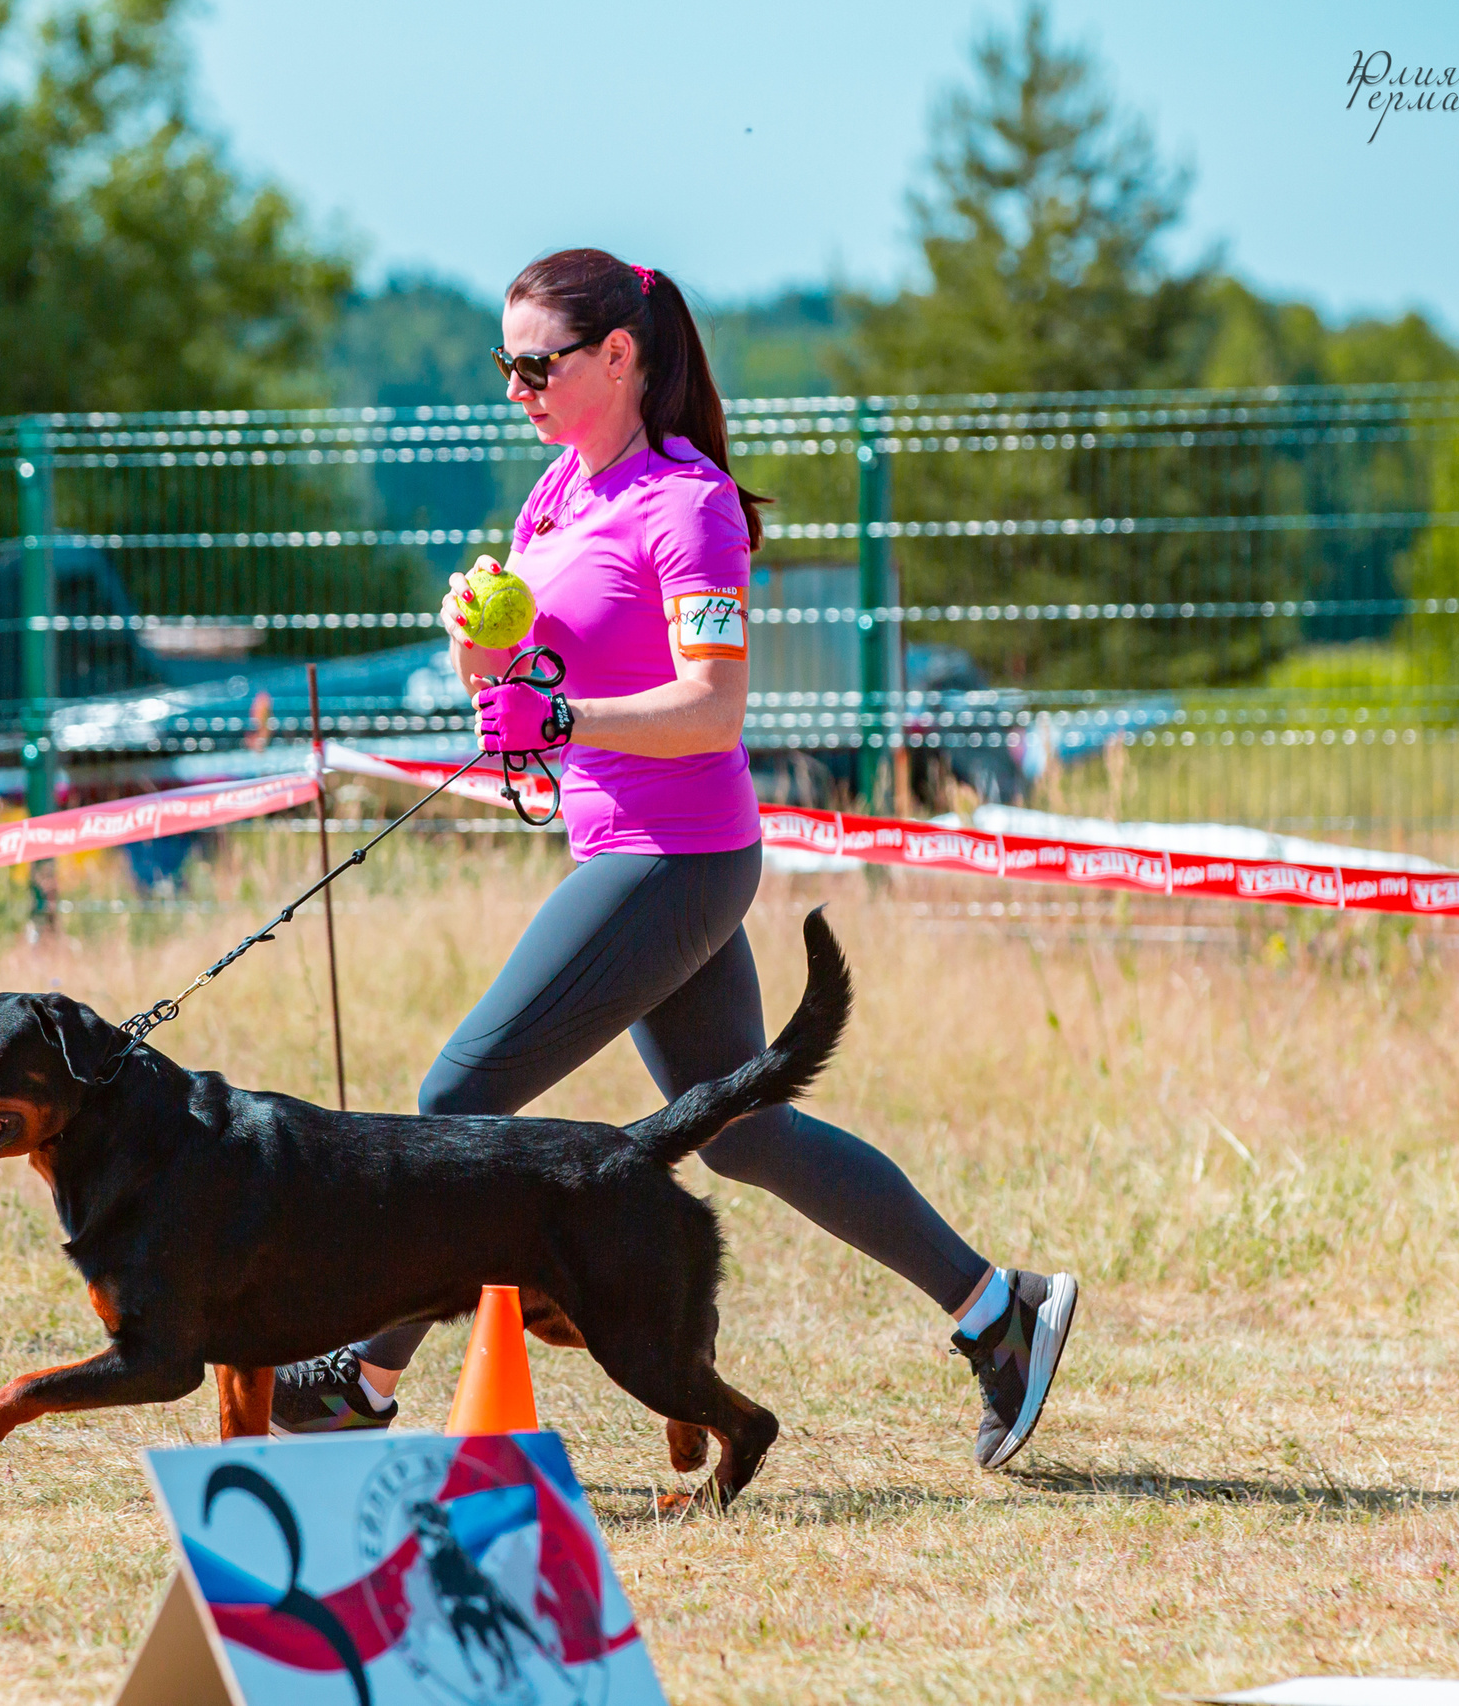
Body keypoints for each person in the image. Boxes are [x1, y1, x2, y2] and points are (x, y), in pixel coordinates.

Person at [269, 249, 1077, 1471]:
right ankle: (996, 1310)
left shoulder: (687, 503)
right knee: (743, 1131)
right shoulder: (553, 495)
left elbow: (712, 710)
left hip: (678, 855)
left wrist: (565, 720)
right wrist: (475, 647)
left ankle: (364, 1377)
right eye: (505, 364)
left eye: (535, 364)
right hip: (623, 846)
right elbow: (515, 685)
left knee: (453, 1103)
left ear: (616, 357)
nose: (515, 387)